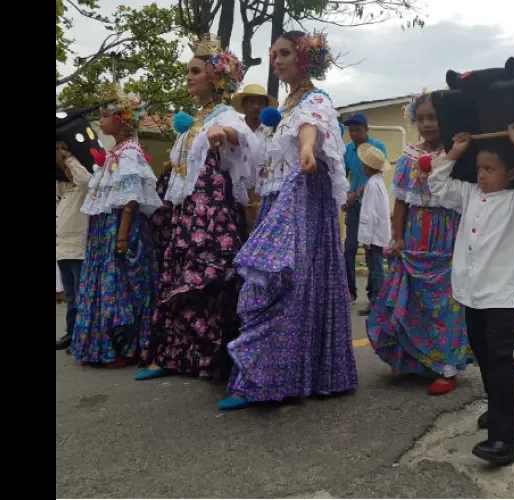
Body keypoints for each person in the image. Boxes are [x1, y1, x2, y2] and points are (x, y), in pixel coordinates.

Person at [217, 31, 357, 411]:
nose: (277, 61)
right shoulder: (286, 106)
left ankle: (275, 377)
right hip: (280, 196)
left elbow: (311, 128)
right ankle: (278, 372)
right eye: (273, 54)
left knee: (287, 278)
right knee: (282, 278)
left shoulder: (315, 100)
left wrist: (308, 150)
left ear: (305, 59)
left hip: (303, 194)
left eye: (284, 53)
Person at [137, 34, 258, 382]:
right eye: (188, 71)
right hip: (189, 212)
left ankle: (211, 358)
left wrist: (223, 133)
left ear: (215, 77)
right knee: (178, 275)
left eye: (195, 71)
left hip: (213, 213)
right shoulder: (196, 119)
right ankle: (171, 357)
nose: (188, 77)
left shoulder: (225, 115)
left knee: (209, 276)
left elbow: (243, 139)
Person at [430, 125, 514, 466]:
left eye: (490, 168)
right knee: (482, 353)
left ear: (511, 173)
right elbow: (437, 184)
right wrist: (456, 150)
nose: (481, 174)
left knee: (498, 359)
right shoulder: (468, 195)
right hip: (470, 291)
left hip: (499, 294)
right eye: (479, 168)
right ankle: (497, 410)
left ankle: (505, 439)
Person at [366, 91, 473, 396]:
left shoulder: (460, 151)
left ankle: (447, 367)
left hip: (449, 233)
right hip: (415, 234)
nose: (426, 124)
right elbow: (400, 204)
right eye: (421, 118)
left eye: (433, 117)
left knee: (447, 303)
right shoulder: (409, 156)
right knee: (416, 301)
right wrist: (398, 238)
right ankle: (418, 360)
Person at [73, 84, 161, 366]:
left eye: (105, 115)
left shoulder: (129, 153)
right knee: (109, 282)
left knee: (120, 283)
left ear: (121, 120)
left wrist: (122, 238)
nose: (100, 121)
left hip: (120, 229)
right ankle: (105, 345)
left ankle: (124, 346)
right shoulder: (116, 151)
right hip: (106, 228)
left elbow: (131, 200)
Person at [342, 111, 388, 302]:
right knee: (350, 248)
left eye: (357, 129)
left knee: (372, 253)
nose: (353, 133)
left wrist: (355, 194)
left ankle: (374, 293)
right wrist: (343, 197)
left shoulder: (377, 147)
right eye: (351, 130)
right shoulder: (348, 150)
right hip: (353, 207)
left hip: (367, 205)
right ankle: (350, 291)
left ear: (366, 130)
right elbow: (344, 176)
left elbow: (375, 175)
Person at [55, 142, 91, 351]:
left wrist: (69, 158)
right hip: (62, 249)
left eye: (71, 169)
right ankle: (71, 332)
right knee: (70, 296)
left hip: (79, 248)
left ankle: (82, 336)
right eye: (64, 169)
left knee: (80, 295)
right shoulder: (65, 190)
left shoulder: (83, 189)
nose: (68, 172)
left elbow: (85, 180)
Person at [232, 84, 279, 231]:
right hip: (236, 190)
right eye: (252, 102)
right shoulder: (234, 128)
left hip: (262, 193)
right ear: (244, 104)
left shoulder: (271, 132)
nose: (256, 107)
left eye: (260, 103)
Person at [356, 143, 392, 316]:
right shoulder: (378, 183)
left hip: (374, 236)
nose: (362, 167)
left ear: (369, 167)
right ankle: (377, 301)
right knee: (376, 269)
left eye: (363, 164)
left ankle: (378, 303)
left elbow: (370, 214)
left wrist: (366, 239)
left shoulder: (371, 185)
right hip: (379, 234)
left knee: (376, 270)